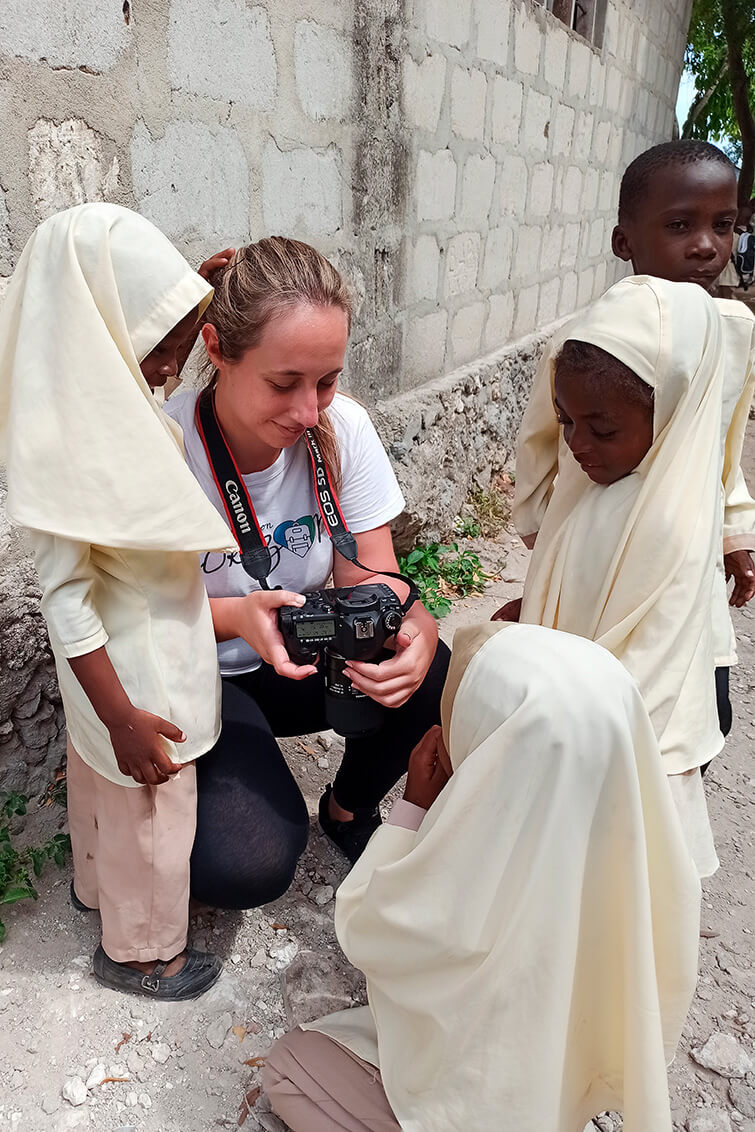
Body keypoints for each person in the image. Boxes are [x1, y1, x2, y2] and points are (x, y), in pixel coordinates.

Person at [262, 623, 701, 1132]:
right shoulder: (655, 865)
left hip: (475, 1098)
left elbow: (371, 932)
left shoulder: (482, 854)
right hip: (555, 1091)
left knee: (290, 1067)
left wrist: (415, 808)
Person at [163, 237, 449, 906]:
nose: (307, 412)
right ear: (216, 349)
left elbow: (374, 579)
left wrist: (417, 630)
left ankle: (348, 809)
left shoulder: (341, 428)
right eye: (283, 383)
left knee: (435, 676)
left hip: (300, 656)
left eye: (325, 381)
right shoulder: (164, 448)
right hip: (202, 672)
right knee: (247, 865)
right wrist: (235, 617)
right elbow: (135, 617)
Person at [0, 204, 240, 998]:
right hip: (133, 681)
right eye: (159, 343)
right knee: (154, 818)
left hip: (119, 670)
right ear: (102, 326)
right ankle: (143, 955)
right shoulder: (65, 445)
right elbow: (65, 597)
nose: (174, 364)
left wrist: (190, 294)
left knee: (105, 797)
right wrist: (122, 713)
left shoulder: (100, 398)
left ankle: (98, 897)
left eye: (179, 338)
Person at [501, 275, 754, 877]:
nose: (578, 445)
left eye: (602, 428)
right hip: (573, 730)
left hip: (609, 764)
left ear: (669, 407)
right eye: (567, 423)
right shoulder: (594, 488)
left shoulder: (665, 526)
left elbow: (636, 698)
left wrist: (522, 657)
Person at [509, 140, 755, 742]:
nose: (706, 245)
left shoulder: (735, 332)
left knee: (693, 709)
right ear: (625, 242)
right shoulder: (585, 343)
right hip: (590, 546)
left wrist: (733, 532)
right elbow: (541, 443)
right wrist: (552, 542)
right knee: (576, 704)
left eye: (723, 226)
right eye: (679, 225)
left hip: (681, 553)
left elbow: (722, 449)